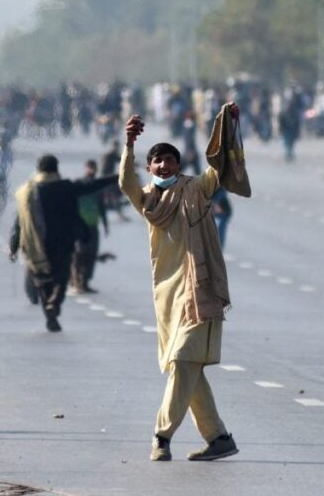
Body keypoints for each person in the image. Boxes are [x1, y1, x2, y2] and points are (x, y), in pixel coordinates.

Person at [120, 105, 242, 463]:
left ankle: (162, 435)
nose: (164, 166)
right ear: (149, 168)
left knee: (183, 360)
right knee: (184, 368)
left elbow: (218, 170)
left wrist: (226, 128)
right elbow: (125, 183)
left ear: (179, 166)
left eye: (170, 160)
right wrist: (128, 144)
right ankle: (218, 437)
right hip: (168, 296)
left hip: (200, 290)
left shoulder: (196, 190)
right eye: (157, 161)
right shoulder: (147, 200)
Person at [9, 154, 117, 332]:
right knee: (61, 278)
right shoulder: (65, 187)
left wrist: (13, 245)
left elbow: (20, 222)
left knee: (43, 281)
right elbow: (91, 185)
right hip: (62, 244)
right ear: (56, 169)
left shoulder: (27, 192)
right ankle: (54, 303)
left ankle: (50, 309)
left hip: (36, 246)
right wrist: (117, 177)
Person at [70, 160, 111, 294]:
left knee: (91, 254)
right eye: (90, 168)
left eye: (94, 168)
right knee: (79, 254)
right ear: (85, 168)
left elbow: (102, 206)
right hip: (79, 226)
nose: (92, 170)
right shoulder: (78, 184)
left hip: (93, 224)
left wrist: (105, 224)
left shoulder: (98, 186)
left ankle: (85, 282)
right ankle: (76, 280)